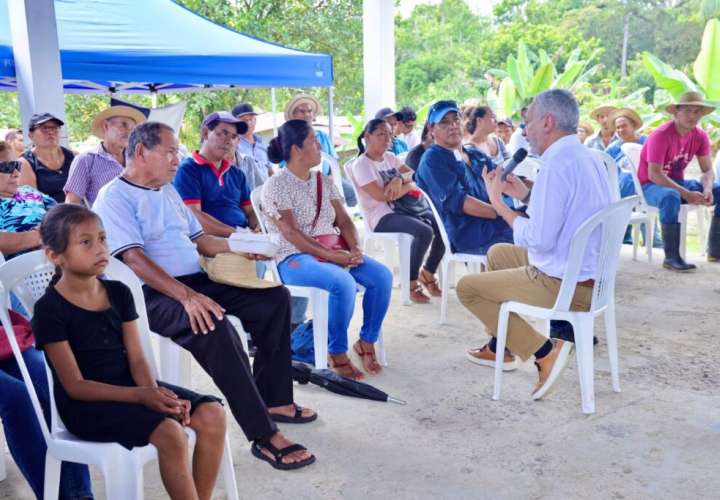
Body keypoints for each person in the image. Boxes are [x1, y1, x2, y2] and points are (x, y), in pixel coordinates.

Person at [93, 121, 316, 470]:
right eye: (169, 151)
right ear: (140, 152)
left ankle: (273, 399)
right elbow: (134, 260)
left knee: (274, 300)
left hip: (196, 279)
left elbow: (203, 242)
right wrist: (186, 297)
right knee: (215, 325)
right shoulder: (114, 196)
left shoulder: (166, 190)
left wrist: (245, 247)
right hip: (149, 293)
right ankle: (263, 435)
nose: (175, 159)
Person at [32, 204, 225, 499]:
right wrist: (144, 397)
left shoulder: (118, 293)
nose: (100, 249)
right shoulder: (49, 310)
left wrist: (153, 395)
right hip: (86, 406)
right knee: (171, 433)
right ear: (54, 255)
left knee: (212, 413)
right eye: (86, 242)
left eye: (102, 238)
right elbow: (75, 386)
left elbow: (136, 357)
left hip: (134, 387)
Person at [456, 89, 612, 398]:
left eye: (527, 123)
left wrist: (499, 203)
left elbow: (539, 240)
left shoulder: (557, 166)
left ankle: (544, 352)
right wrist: (524, 194)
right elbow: (566, 211)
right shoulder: (586, 157)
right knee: (498, 253)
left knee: (468, 289)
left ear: (548, 122)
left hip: (566, 285)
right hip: (588, 274)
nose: (523, 131)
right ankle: (500, 346)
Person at [261, 119, 393, 380]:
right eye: (314, 141)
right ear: (297, 149)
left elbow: (344, 220)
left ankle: (366, 341)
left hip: (333, 251)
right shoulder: (277, 185)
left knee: (382, 276)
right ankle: (337, 352)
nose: (320, 147)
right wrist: (332, 257)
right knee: (342, 282)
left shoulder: (324, 180)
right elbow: (291, 233)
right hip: (293, 258)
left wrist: (355, 248)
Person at [0, 149, 94, 500]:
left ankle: (77, 495)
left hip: (4, 335)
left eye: (13, 166)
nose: (13, 172)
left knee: (55, 381)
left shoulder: (29, 198)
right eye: (5, 167)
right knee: (16, 397)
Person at [351, 118, 444, 302]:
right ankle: (410, 284)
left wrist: (399, 179)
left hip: (403, 210)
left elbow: (412, 174)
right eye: (381, 135)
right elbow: (381, 196)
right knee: (424, 231)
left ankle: (428, 271)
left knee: (442, 225)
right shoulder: (361, 165)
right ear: (367, 137)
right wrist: (407, 185)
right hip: (380, 216)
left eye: (389, 135)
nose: (386, 139)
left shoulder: (390, 158)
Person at [415, 100, 514, 257]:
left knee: (538, 226)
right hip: (471, 233)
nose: (453, 125)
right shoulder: (433, 159)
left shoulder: (473, 153)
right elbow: (461, 203)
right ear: (431, 129)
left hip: (495, 222)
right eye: (444, 122)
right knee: (529, 240)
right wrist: (504, 213)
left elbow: (502, 178)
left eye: (456, 120)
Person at [637, 91, 720, 269]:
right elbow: (654, 174)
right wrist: (686, 194)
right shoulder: (661, 135)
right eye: (688, 110)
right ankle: (672, 258)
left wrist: (706, 189)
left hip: (676, 183)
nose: (693, 116)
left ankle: (715, 251)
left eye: (697, 111)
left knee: (718, 189)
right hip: (649, 186)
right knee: (671, 196)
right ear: (676, 113)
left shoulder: (700, 135)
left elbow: (707, 170)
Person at [173, 112, 257, 236]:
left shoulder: (236, 173)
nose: (229, 141)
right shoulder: (188, 170)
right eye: (223, 133)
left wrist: (257, 227)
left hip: (244, 239)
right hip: (213, 243)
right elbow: (194, 217)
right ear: (205, 133)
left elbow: (250, 211)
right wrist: (238, 235)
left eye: (234, 136)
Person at [64, 105, 146, 206]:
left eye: (133, 129)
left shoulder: (137, 159)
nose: (129, 132)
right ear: (106, 126)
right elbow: (72, 203)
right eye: (123, 125)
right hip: (103, 220)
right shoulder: (86, 160)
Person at [285, 94, 357, 207]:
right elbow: (285, 167)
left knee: (352, 195)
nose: (307, 114)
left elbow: (333, 161)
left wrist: (332, 177)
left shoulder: (322, 135)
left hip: (328, 178)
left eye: (309, 111)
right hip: (300, 183)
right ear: (293, 116)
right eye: (302, 111)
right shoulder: (288, 137)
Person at [0, 141, 53, 259]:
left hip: (59, 259)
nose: (16, 173)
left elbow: (64, 214)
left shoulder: (29, 191)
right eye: (7, 167)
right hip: (19, 272)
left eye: (16, 165)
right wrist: (42, 236)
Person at [17, 113, 73, 203]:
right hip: (47, 214)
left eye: (55, 128)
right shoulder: (25, 163)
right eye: (44, 128)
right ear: (31, 135)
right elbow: (32, 203)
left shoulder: (72, 156)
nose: (50, 132)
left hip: (78, 211)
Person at [232, 102, 274, 191]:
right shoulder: (233, 146)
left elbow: (270, 172)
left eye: (251, 119)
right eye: (244, 120)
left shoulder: (263, 145)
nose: (249, 123)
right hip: (245, 197)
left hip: (265, 195)